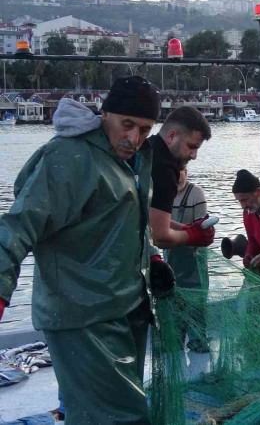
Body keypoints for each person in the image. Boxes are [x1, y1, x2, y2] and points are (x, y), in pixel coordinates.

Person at [0, 76, 175, 423]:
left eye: (144, 129)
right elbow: (18, 225)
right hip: (81, 313)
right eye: (127, 124)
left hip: (125, 305)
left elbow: (127, 220)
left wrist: (152, 257)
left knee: (107, 411)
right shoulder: (70, 157)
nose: (134, 138)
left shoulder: (135, 159)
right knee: (120, 417)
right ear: (105, 113)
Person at [148, 106, 215, 249]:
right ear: (172, 136)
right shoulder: (165, 170)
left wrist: (186, 229)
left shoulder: (148, 147)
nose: (194, 155)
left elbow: (153, 219)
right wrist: (193, 236)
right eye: (192, 147)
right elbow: (159, 236)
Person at [167, 168, 210, 353]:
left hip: (194, 256)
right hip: (171, 255)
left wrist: (183, 232)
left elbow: (200, 229)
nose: (177, 177)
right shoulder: (162, 195)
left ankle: (198, 341)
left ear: (186, 172)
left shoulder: (196, 193)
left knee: (196, 301)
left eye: (180, 172)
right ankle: (175, 340)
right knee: (173, 299)